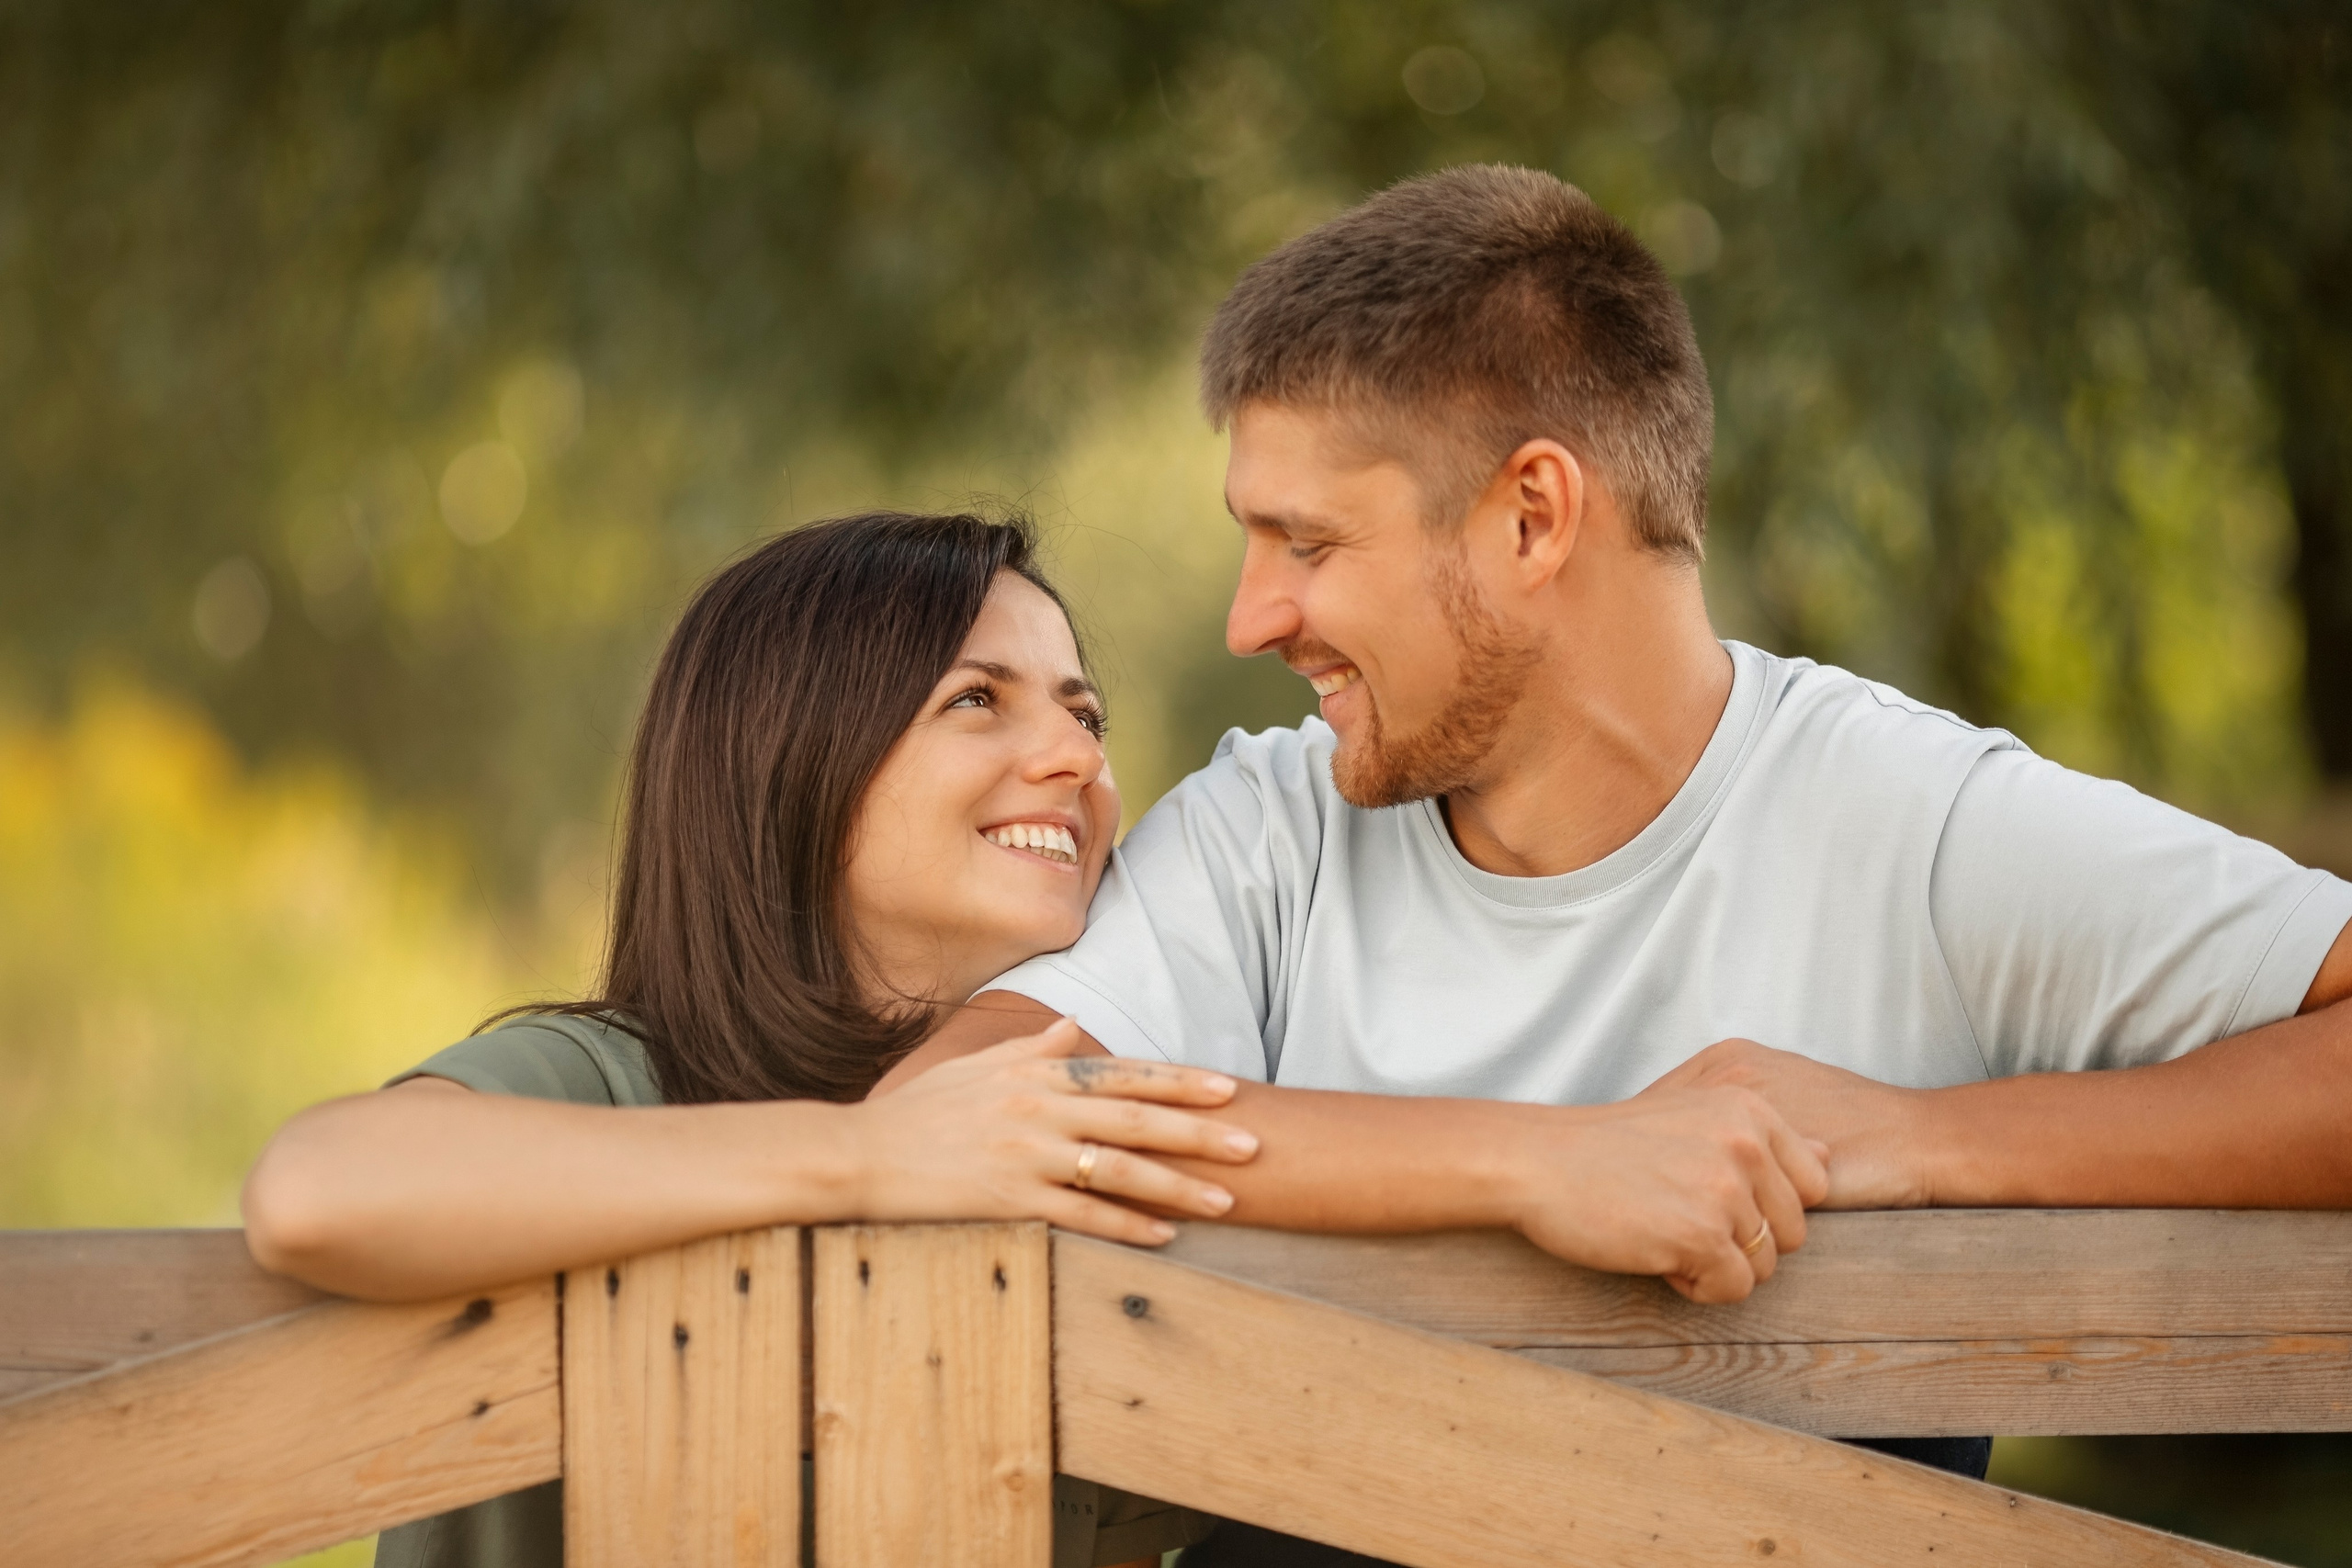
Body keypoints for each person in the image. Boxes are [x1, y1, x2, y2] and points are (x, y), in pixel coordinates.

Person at [880, 165, 2352, 1560]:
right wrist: (1540, 1164)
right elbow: (949, 1114)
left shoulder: (1915, 821)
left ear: (1532, 515)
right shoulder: (1269, 833)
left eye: (1306, 542)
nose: (1252, 617)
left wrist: (1922, 1142)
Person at [243, 509, 1827, 1568]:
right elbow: (320, 1191)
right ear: (786, 756)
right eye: (976, 702)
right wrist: (869, 1162)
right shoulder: (608, 1082)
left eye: (1083, 710)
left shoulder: (1078, 1121)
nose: (1067, 750)